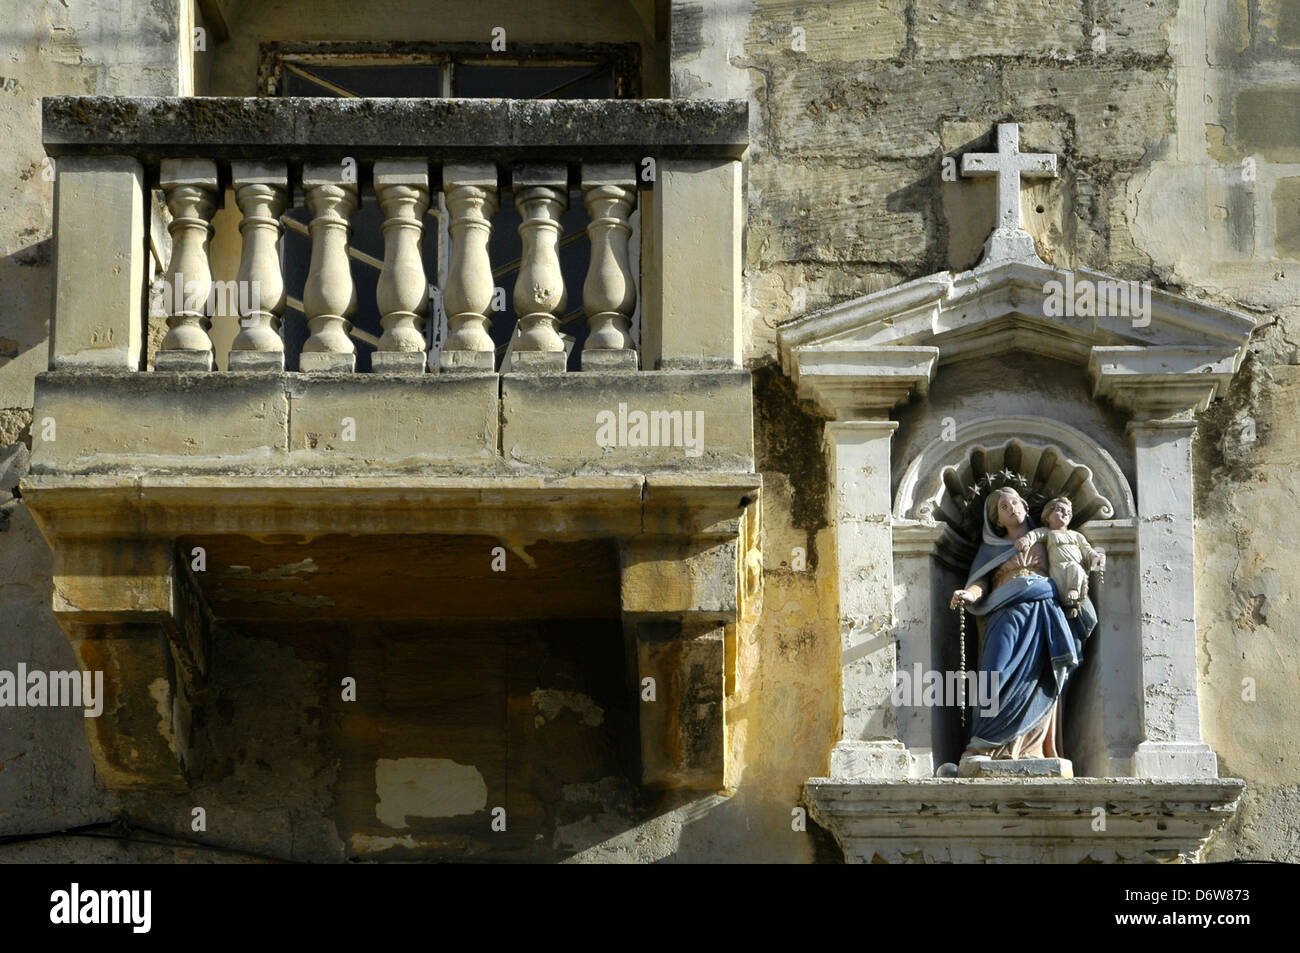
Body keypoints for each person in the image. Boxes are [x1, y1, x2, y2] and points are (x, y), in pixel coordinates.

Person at [947, 486, 1097, 761]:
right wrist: (968, 594)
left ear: (1026, 507)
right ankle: (982, 745)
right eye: (1003, 507)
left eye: (1015, 502)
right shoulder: (990, 549)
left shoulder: (1047, 540)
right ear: (996, 520)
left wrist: (1076, 591)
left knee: (1040, 676)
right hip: (1004, 614)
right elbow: (981, 581)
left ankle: (1033, 750)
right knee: (996, 672)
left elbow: (1069, 567)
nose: (1012, 508)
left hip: (1043, 612)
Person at [1015, 496, 1105, 618]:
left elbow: (1086, 549)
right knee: (1062, 582)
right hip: (1058, 568)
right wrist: (1026, 541)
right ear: (1048, 515)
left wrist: (1095, 556)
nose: (1065, 514)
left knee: (1075, 568)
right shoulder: (1048, 532)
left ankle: (1073, 597)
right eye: (1060, 510)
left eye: (1068, 512)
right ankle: (1068, 605)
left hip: (1075, 569)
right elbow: (1034, 535)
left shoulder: (1076, 535)